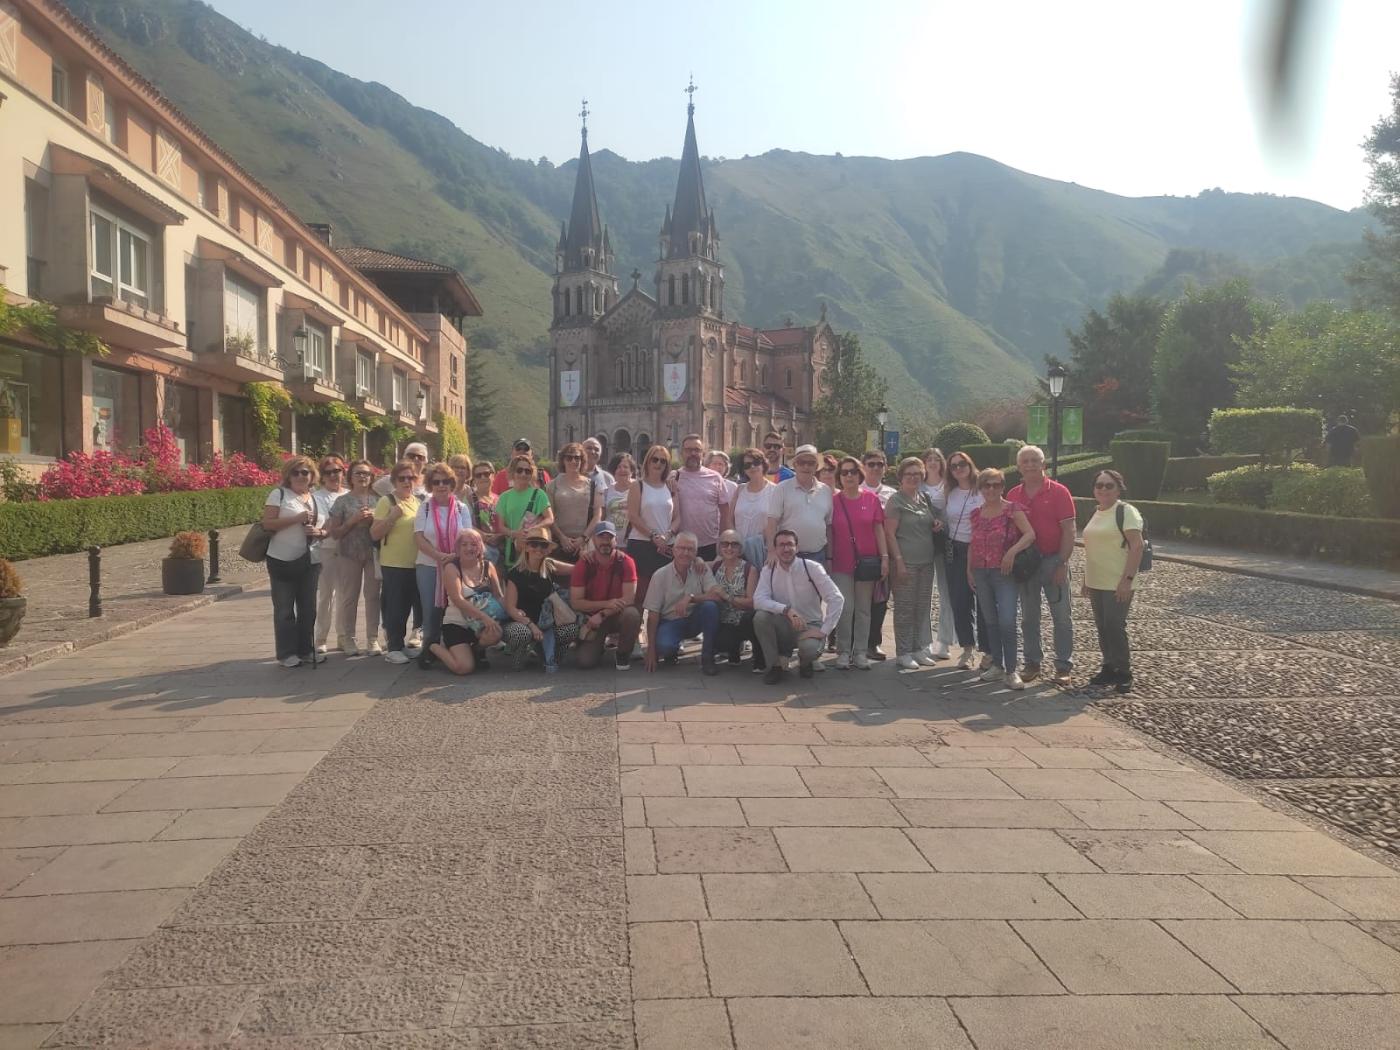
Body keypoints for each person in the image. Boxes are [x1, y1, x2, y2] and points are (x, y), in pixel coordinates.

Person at [1006, 445, 1076, 686]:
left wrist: (1062, 562)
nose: (1030, 464)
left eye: (1035, 460)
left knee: (1061, 616)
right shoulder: (1013, 494)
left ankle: (1063, 665)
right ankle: (1032, 663)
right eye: (1025, 461)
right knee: (1029, 616)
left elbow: (1069, 530)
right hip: (1027, 564)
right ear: (1018, 466)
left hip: (1053, 559)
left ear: (1043, 464)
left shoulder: (1059, 492)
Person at [967, 467, 1037, 690]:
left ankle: (1011, 669)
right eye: (986, 485)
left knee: (1007, 620)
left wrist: (1011, 552)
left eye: (996, 484)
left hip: (1004, 572)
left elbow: (1029, 534)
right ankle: (997, 665)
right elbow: (973, 543)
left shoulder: (1011, 510)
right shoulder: (976, 513)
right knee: (990, 620)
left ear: (1002, 487)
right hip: (981, 572)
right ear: (980, 488)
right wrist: (969, 570)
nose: (991, 489)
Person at [753, 529, 844, 683]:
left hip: (809, 625)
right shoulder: (769, 570)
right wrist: (786, 609)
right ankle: (775, 666)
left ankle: (805, 662)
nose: (786, 549)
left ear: (797, 547)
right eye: (781, 545)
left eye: (790, 544)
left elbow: (837, 598)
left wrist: (824, 631)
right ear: (775, 549)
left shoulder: (812, 568)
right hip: (784, 624)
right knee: (760, 618)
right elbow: (758, 600)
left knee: (809, 649)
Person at [1083, 469, 1144, 693]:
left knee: (1115, 626)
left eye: (1109, 485)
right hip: (1097, 580)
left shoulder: (1126, 511)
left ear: (1119, 488)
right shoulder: (1097, 512)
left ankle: (1124, 671)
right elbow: (1093, 548)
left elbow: (1137, 546)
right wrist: (1086, 579)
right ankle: (1108, 666)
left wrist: (1127, 580)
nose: (1103, 489)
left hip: (1118, 580)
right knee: (1102, 626)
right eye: (1099, 485)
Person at [262, 456, 327, 668]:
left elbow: (326, 529)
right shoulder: (279, 495)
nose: (300, 476)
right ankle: (286, 653)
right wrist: (295, 519)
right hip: (282, 560)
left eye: (305, 473)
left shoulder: (317, 498)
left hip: (310, 560)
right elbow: (268, 523)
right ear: (288, 476)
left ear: (312, 476)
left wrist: (319, 532)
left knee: (308, 608)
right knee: (284, 609)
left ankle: (306, 649)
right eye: (296, 472)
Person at [883, 457, 943, 672]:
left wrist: (936, 524)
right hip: (905, 562)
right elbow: (889, 534)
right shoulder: (895, 501)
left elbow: (929, 523)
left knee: (922, 607)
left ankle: (918, 648)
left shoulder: (924, 498)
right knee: (904, 609)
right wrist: (898, 562)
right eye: (909, 474)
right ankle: (903, 652)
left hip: (926, 563)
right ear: (901, 477)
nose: (913, 478)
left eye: (917, 474)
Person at [413, 461, 475, 669]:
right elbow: (419, 538)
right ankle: (430, 647)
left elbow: (468, 537)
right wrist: (439, 556)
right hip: (429, 565)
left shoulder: (460, 507)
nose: (442, 486)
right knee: (431, 610)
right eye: (437, 482)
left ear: (452, 483)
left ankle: (458, 646)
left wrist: (453, 557)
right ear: (430, 484)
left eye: (446, 481)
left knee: (456, 608)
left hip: (456, 566)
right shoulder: (425, 508)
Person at [830, 456, 888, 670]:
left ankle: (861, 651)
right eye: (844, 472)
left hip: (867, 563)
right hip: (841, 563)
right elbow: (829, 532)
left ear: (859, 474)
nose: (849, 476)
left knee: (864, 609)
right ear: (839, 477)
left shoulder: (871, 499)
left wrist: (885, 558)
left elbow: (879, 530)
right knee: (846, 609)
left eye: (853, 471)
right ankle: (843, 651)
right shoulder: (833, 501)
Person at [642, 531, 724, 675]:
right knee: (665, 646)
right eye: (681, 548)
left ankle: (707, 657)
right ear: (673, 550)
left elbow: (717, 595)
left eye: (690, 549)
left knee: (710, 607)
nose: (685, 553)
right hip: (670, 621)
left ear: (696, 553)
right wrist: (651, 650)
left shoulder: (701, 569)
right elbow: (653, 614)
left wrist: (692, 598)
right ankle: (670, 651)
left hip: (694, 619)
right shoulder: (660, 575)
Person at [429, 528, 505, 676]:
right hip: (457, 624)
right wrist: (484, 617)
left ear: (480, 547)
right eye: (464, 544)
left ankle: (476, 652)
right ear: (457, 548)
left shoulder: (488, 567)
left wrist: (511, 612)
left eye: (474, 544)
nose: (469, 548)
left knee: (496, 633)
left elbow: (499, 596)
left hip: (479, 626)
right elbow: (458, 599)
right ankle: (433, 647)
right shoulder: (452, 568)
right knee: (464, 668)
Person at [502, 528, 578, 672]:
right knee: (522, 633)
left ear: (548, 549)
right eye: (534, 544)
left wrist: (589, 556)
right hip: (522, 624)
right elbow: (510, 608)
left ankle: (546, 655)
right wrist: (531, 625)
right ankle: (520, 654)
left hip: (546, 625)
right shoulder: (515, 573)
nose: (538, 548)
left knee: (572, 629)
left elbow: (578, 569)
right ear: (526, 546)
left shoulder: (549, 565)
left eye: (543, 545)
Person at [570, 520, 642, 671]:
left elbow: (629, 598)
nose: (605, 541)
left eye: (609, 537)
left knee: (632, 614)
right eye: (601, 537)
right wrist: (606, 605)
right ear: (593, 540)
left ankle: (623, 654)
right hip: (592, 620)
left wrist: (603, 613)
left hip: (615, 615)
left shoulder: (626, 562)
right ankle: (595, 645)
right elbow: (576, 602)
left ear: (616, 540)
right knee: (585, 662)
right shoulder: (583, 564)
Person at [327, 459, 381, 655]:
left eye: (366, 473)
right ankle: (348, 638)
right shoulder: (342, 501)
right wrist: (353, 520)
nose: (362, 477)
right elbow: (335, 533)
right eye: (358, 473)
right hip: (348, 553)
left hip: (373, 553)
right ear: (350, 477)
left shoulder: (380, 499)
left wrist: (374, 519)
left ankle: (372, 639)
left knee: (373, 596)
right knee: (350, 596)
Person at [371, 460, 423, 665]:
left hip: (414, 563)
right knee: (395, 606)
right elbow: (374, 534)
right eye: (402, 478)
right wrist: (391, 518)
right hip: (394, 564)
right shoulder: (387, 502)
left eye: (410, 478)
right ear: (394, 481)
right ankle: (393, 647)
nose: (407, 481)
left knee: (409, 605)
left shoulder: (417, 502)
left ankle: (400, 645)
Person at [627, 444, 681, 617]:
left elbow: (678, 518)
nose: (658, 464)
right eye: (654, 459)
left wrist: (667, 535)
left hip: (665, 547)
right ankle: (635, 634)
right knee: (640, 594)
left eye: (663, 461)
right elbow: (633, 516)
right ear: (647, 461)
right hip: (641, 545)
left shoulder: (670, 487)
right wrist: (653, 536)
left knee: (664, 596)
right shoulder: (638, 486)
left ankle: (659, 636)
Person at [944, 450, 986, 670]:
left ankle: (988, 651)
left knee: (985, 602)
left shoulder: (983, 490)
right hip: (956, 551)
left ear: (970, 464)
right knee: (960, 602)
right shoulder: (949, 492)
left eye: (962, 464)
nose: (959, 468)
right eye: (953, 466)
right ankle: (968, 649)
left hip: (981, 550)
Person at [766, 444, 833, 564]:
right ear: (795, 465)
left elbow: (828, 526)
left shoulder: (826, 491)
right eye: (802, 462)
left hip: (818, 556)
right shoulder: (782, 488)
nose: (806, 466)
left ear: (816, 466)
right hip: (788, 556)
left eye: (810, 463)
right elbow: (772, 522)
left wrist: (829, 558)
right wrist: (771, 552)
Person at [860, 449, 898, 662]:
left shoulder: (892, 494)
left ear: (885, 468)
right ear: (863, 466)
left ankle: (873, 643)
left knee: (881, 600)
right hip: (861, 553)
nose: (875, 468)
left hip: (885, 553)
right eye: (871, 464)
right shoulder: (855, 490)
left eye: (879, 464)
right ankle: (857, 642)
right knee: (860, 601)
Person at [674, 433, 733, 561]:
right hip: (683, 545)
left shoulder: (715, 477)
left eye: (697, 450)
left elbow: (725, 513)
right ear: (682, 453)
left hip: (710, 544)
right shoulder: (674, 477)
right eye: (688, 450)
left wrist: (723, 542)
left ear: (703, 453)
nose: (693, 453)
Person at [921, 447, 956, 661]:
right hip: (923, 542)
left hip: (945, 542)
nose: (932, 463)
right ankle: (924, 642)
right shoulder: (919, 483)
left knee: (946, 593)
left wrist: (943, 522)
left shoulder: (949, 484)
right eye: (929, 459)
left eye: (936, 459)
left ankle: (944, 641)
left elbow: (955, 511)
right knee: (924, 594)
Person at [311, 455, 347, 655]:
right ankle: (321, 638)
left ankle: (343, 636)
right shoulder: (317, 497)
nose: (334, 475)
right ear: (322, 476)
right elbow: (322, 524)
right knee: (326, 595)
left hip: (347, 551)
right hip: (326, 549)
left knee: (345, 596)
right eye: (329, 472)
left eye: (338, 471)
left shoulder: (350, 494)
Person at [711, 528, 761, 671]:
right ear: (719, 547)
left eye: (734, 544)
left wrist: (727, 596)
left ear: (740, 548)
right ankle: (732, 651)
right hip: (724, 621)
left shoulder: (749, 569)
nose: (729, 548)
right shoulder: (714, 567)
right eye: (725, 544)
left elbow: (751, 602)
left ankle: (759, 658)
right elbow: (694, 562)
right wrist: (698, 560)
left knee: (753, 619)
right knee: (722, 643)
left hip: (744, 620)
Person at [493, 454, 554, 567]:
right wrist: (515, 534)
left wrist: (533, 529)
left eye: (528, 471)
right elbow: (501, 527)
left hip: (534, 548)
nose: (523, 474)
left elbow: (550, 518)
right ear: (512, 472)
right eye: (519, 470)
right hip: (513, 549)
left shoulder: (539, 494)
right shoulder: (504, 497)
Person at [547, 442, 600, 563]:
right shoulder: (552, 485)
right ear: (563, 460)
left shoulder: (593, 485)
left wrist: (583, 539)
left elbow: (597, 515)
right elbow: (548, 516)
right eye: (569, 457)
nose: (573, 461)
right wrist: (562, 538)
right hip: (559, 543)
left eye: (577, 458)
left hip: (585, 545)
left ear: (582, 461)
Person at [732, 447, 776, 569]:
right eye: (747, 465)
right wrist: (734, 542)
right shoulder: (739, 490)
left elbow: (776, 522)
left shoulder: (775, 491)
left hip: (762, 550)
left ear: (763, 464)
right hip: (738, 551)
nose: (752, 467)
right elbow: (729, 519)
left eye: (756, 463)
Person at [469, 460, 501, 563]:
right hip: (479, 552)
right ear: (474, 479)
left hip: (501, 551)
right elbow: (465, 523)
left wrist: (500, 536)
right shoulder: (468, 499)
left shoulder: (500, 499)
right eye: (479, 475)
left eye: (486, 474)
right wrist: (483, 535)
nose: (483, 477)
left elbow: (507, 523)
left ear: (493, 476)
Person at [601, 453, 636, 536]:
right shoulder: (607, 491)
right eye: (618, 467)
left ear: (631, 471)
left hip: (633, 539)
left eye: (625, 467)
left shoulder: (639, 488)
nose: (622, 470)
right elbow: (602, 517)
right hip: (610, 540)